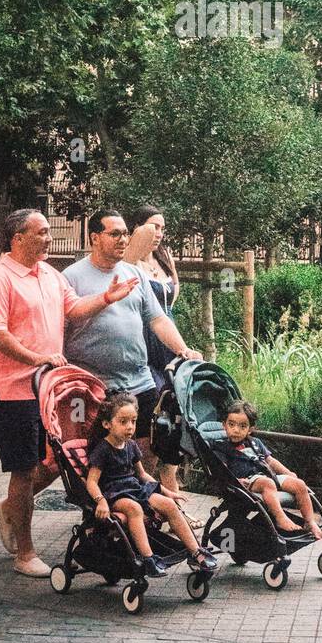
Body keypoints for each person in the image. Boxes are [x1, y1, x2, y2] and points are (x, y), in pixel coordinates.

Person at [0, 207, 140, 578]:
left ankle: (8, 511)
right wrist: (38, 358)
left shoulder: (49, 275)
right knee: (23, 472)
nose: (49, 238)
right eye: (42, 232)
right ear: (18, 238)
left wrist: (107, 298)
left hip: (47, 389)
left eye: (49, 232)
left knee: (44, 465)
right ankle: (25, 553)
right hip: (12, 390)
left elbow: (74, 308)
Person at [63, 210, 202, 474]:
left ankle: (142, 500)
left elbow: (158, 320)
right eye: (114, 233)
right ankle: (101, 510)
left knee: (146, 447)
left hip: (139, 379)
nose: (123, 239)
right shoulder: (72, 277)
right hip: (94, 385)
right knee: (93, 456)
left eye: (125, 233)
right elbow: (60, 328)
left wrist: (183, 349)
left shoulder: (133, 274)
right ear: (94, 237)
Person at [85, 392, 217, 577]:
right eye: (123, 422)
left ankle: (196, 552)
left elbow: (142, 474)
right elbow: (91, 481)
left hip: (134, 488)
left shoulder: (130, 445)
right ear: (107, 424)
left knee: (170, 505)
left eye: (133, 421)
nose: (130, 427)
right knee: (134, 509)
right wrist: (100, 501)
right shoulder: (103, 450)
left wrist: (166, 492)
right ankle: (148, 558)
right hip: (114, 493)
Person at [125, 205, 187, 498]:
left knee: (174, 414)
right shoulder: (130, 260)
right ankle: (142, 488)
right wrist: (141, 237)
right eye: (153, 227)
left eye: (163, 228)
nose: (159, 234)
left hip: (168, 334)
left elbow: (170, 305)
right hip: (144, 338)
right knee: (151, 418)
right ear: (137, 228)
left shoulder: (164, 257)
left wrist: (182, 346)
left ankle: (169, 487)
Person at [212, 400, 322, 540]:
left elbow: (270, 461)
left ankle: (309, 521)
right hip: (247, 481)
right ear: (224, 425)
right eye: (231, 424)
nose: (236, 430)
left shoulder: (255, 443)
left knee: (300, 484)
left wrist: (288, 473)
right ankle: (280, 518)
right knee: (267, 483)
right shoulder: (221, 447)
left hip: (268, 475)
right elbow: (222, 469)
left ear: (250, 429)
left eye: (242, 426)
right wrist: (235, 481)